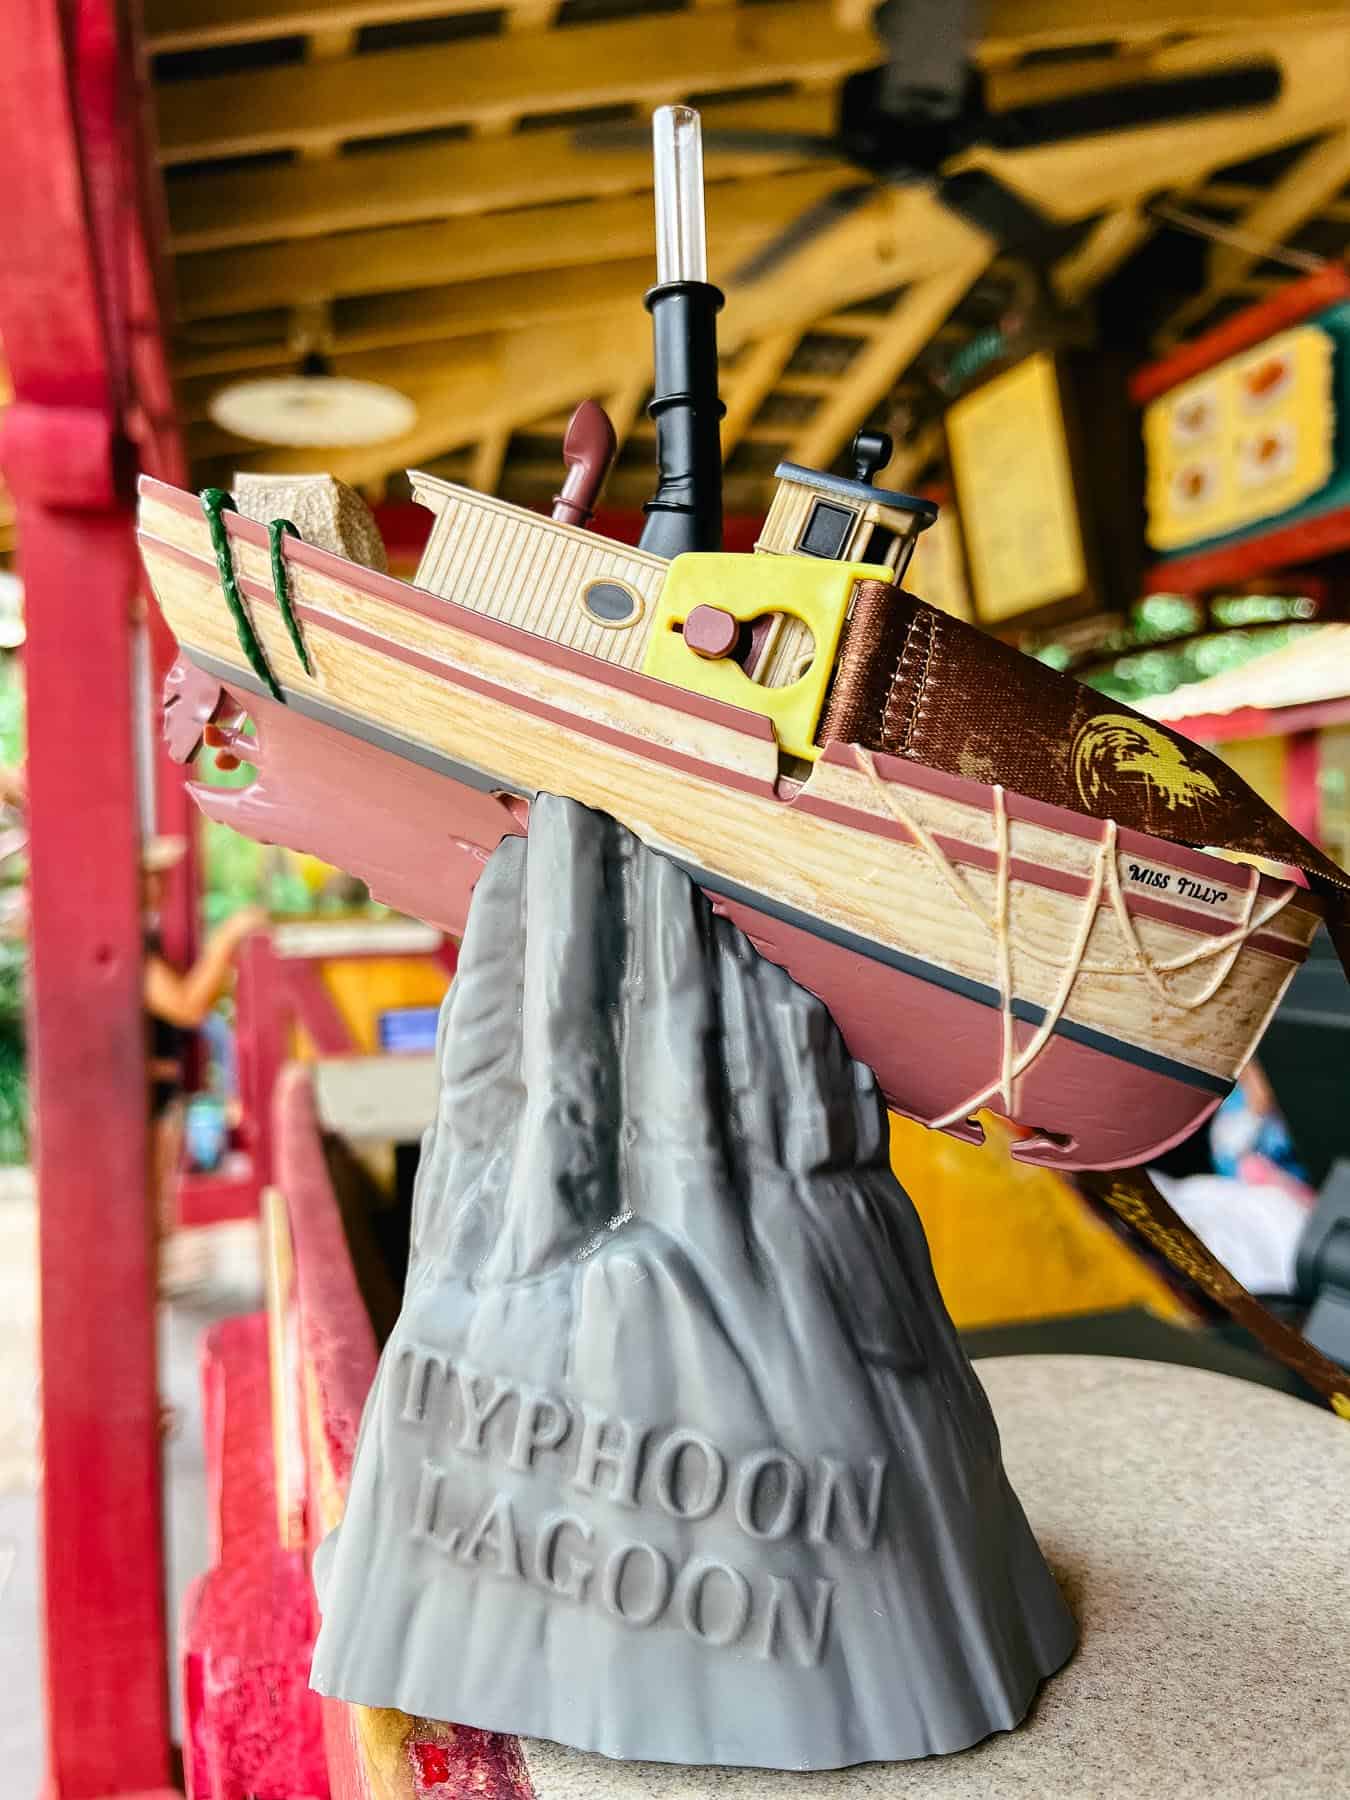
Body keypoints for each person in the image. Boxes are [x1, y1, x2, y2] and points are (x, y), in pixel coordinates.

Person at [142, 836, 264, 1292]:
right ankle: (142, 1285)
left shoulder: (145, 940)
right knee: (146, 1200)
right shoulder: (130, 946)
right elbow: (187, 1006)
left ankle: (148, 1281)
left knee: (156, 1199)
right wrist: (225, 941)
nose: (160, 883)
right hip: (139, 1095)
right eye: (150, 874)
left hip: (160, 1091)